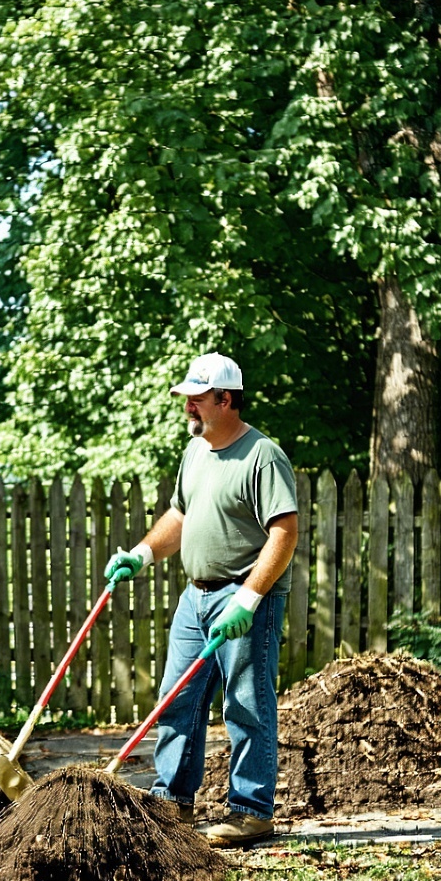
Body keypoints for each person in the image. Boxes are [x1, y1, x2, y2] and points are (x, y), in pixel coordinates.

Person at [105, 352, 298, 847]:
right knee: (177, 700)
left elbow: (284, 532)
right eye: (187, 398)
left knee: (247, 705)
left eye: (197, 398)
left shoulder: (262, 456)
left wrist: (248, 600)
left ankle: (251, 811)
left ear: (225, 399)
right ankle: (173, 802)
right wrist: (141, 555)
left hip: (244, 597)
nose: (188, 406)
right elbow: (180, 515)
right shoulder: (195, 452)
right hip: (196, 597)